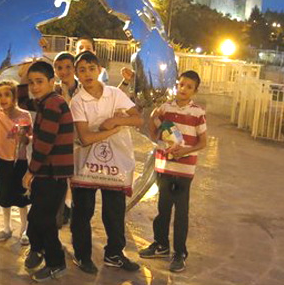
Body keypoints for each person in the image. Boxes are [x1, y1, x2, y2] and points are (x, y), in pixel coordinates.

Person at [69, 51, 142, 274]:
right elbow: (85, 138)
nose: (87, 73)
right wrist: (115, 129)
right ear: (76, 74)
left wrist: (115, 120)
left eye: (91, 68)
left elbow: (138, 118)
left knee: (114, 211)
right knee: (83, 210)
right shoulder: (77, 101)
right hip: (85, 164)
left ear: (100, 70)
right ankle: (82, 256)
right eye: (82, 70)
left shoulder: (114, 93)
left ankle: (114, 254)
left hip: (116, 162)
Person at [138, 70, 207, 273]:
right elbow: (154, 134)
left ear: (195, 90)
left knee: (181, 212)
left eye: (189, 87)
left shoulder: (198, 113)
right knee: (163, 208)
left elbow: (203, 142)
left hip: (184, 170)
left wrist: (186, 150)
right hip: (165, 166)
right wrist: (153, 118)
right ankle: (161, 245)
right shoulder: (165, 108)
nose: (183, 89)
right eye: (181, 84)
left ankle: (180, 253)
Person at [17, 60, 74, 282]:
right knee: (37, 217)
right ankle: (38, 250)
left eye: (39, 81)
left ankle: (55, 263)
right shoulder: (47, 101)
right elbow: (22, 100)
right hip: (48, 173)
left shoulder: (53, 105)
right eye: (32, 82)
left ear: (52, 81)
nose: (34, 86)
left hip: (52, 173)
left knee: (45, 221)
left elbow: (45, 144)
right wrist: (23, 75)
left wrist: (30, 171)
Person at [0, 80, 33, 245]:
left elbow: (30, 137)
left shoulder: (24, 115)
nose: (3, 98)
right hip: (3, 160)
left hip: (19, 161)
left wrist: (24, 137)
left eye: (7, 94)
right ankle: (7, 227)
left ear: (14, 96)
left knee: (21, 197)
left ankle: (24, 229)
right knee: (3, 195)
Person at [52, 51, 78, 226]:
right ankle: (60, 217)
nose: (64, 71)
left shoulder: (84, 89)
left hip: (79, 143)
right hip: (59, 145)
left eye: (68, 67)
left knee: (77, 183)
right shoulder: (53, 91)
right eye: (59, 68)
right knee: (60, 184)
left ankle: (74, 215)